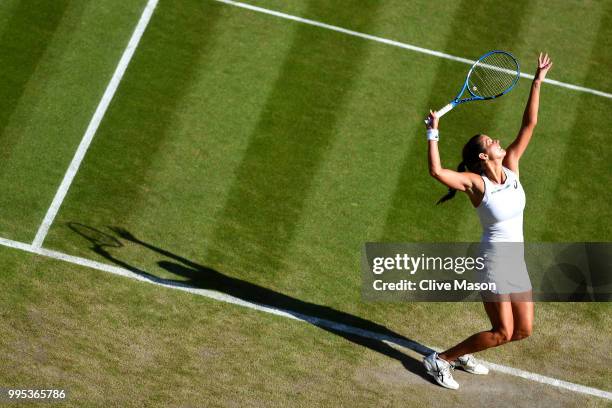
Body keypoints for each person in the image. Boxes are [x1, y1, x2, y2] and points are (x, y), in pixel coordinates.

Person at [422, 53, 553, 390]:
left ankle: (465, 353)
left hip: (515, 261)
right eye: (491, 142)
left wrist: (537, 82)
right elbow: (437, 172)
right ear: (483, 156)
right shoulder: (476, 184)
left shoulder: (511, 165)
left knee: (523, 331)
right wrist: (433, 133)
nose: (498, 141)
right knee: (502, 332)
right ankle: (441, 360)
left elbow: (530, 125)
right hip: (494, 264)